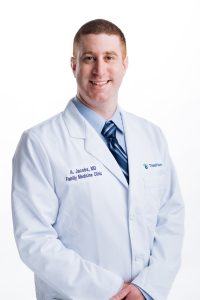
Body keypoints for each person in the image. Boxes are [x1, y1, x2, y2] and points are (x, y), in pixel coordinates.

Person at [12, 19, 184, 300]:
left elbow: (171, 217)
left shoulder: (151, 136)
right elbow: (34, 240)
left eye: (109, 57)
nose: (100, 69)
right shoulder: (39, 143)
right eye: (89, 58)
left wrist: (147, 287)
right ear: (73, 65)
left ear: (124, 64)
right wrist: (111, 291)